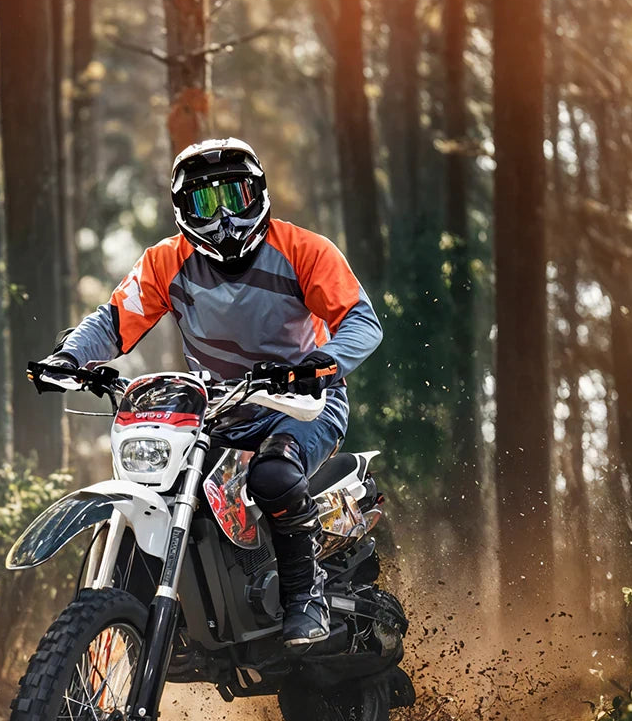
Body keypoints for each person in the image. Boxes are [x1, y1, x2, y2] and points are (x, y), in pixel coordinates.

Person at [41, 137, 382, 648]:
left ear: (258, 194)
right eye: (205, 201)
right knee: (168, 484)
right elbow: (113, 320)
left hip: (302, 405)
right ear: (183, 209)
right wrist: (69, 358)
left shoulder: (303, 249)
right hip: (219, 409)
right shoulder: (165, 261)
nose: (223, 217)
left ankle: (304, 596)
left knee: (273, 473)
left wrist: (319, 364)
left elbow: (361, 320)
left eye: (235, 197)